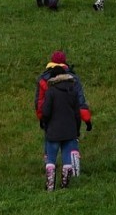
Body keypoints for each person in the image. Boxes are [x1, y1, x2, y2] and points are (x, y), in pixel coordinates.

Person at [35, 51, 92, 192]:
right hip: (70, 131)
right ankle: (65, 185)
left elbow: (45, 111)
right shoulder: (72, 90)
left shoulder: (50, 90)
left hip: (53, 130)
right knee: (67, 159)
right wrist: (78, 128)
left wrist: (44, 122)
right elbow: (78, 111)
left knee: (51, 159)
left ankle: (50, 185)